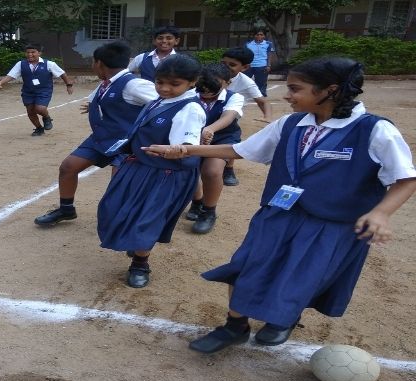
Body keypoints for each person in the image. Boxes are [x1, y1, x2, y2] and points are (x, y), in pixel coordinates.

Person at [146, 57, 416, 353]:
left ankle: (284, 318)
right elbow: (239, 149)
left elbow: (406, 178)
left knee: (300, 275)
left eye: (295, 89)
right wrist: (184, 150)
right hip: (278, 212)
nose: (287, 96)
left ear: (330, 90)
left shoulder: (374, 130)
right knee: (246, 266)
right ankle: (235, 326)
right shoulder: (290, 124)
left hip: (331, 224)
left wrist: (381, 213)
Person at [97, 54, 206, 289]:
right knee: (113, 207)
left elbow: (186, 144)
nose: (165, 88)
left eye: (174, 84)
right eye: (160, 82)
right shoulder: (158, 101)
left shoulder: (190, 109)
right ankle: (135, 243)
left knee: (148, 219)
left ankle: (140, 263)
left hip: (165, 174)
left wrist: (178, 149)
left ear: (192, 82)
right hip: (138, 166)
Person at [34, 41, 158, 226]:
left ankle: (128, 222)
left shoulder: (134, 84)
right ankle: (66, 209)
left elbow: (164, 104)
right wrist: (95, 105)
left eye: (93, 62)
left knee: (119, 184)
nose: (92, 66)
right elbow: (100, 99)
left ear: (99, 63)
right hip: (102, 137)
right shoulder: (107, 82)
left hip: (126, 143)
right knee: (68, 167)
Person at [184, 63, 244, 234]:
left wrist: (210, 129)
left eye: (215, 83)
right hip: (193, 136)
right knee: (189, 168)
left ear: (227, 83)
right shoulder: (190, 95)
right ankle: (197, 201)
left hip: (222, 138)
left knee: (211, 171)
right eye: (202, 82)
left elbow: (228, 116)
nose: (207, 88)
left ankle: (208, 211)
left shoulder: (234, 97)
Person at [221, 46, 274, 186]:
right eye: (223, 63)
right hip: (209, 110)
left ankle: (229, 168)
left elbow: (263, 101)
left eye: (232, 64)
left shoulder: (246, 82)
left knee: (230, 136)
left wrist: (267, 117)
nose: (226, 67)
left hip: (231, 115)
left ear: (244, 67)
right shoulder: (212, 74)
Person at [0, 44, 74, 136]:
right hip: (28, 91)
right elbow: (11, 75)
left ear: (39, 53)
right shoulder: (21, 64)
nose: (30, 54)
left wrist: (68, 85)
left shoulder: (49, 64)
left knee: (40, 109)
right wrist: (0, 83)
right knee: (30, 112)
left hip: (44, 91)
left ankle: (46, 117)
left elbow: (62, 73)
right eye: (28, 52)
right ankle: (39, 128)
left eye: (33, 52)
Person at [245, 28, 276, 97]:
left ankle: (261, 95)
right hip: (249, 66)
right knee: (245, 80)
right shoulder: (248, 44)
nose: (259, 36)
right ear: (254, 35)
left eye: (261, 35)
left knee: (261, 82)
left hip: (262, 66)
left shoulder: (268, 44)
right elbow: (245, 55)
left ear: (264, 36)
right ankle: (245, 94)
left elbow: (269, 55)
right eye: (257, 34)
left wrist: (268, 65)